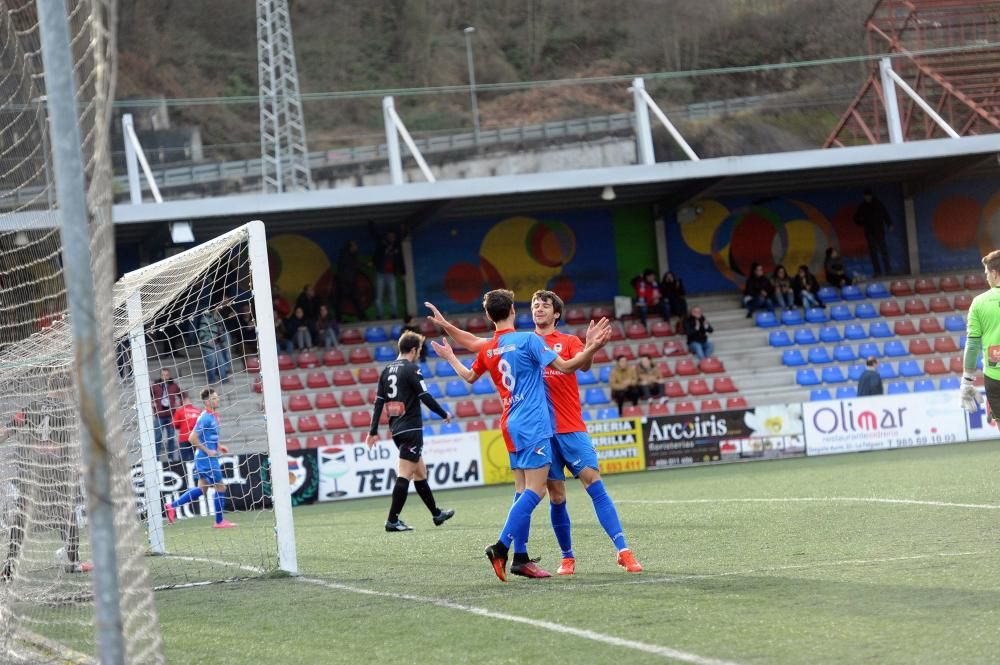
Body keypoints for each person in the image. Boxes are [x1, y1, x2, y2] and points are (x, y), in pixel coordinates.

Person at [426, 291, 641, 575]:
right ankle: (566, 557)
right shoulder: (523, 340)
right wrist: (447, 326)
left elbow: (583, 364)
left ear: (556, 314)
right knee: (554, 496)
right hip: (540, 431)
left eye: (546, 304)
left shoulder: (566, 341)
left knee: (592, 485)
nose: (539, 307)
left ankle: (623, 551)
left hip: (569, 427)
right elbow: (476, 342)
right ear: (519, 311)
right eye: (535, 304)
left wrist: (591, 347)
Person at [1, 372, 93, 580]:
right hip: (58, 472)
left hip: (32, 472)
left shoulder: (30, 407)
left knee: (21, 517)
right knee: (67, 514)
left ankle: (9, 568)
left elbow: (6, 432)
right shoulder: (69, 411)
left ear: (49, 385)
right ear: (67, 388)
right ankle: (73, 562)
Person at [366, 331, 454, 532]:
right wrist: (443, 413)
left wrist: (372, 431)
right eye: (419, 350)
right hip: (412, 429)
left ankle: (436, 514)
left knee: (420, 472)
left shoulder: (386, 370)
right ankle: (392, 520)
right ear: (414, 349)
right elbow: (424, 395)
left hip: (396, 429)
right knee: (405, 474)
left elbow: (378, 402)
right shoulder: (411, 369)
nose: (419, 354)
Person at [164, 388, 236, 529]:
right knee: (220, 486)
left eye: (217, 397)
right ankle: (219, 521)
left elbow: (209, 436)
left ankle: (171, 506)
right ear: (207, 402)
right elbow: (192, 438)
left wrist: (219, 446)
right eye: (214, 398)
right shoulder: (204, 417)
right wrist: (208, 451)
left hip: (207, 457)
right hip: (206, 459)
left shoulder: (214, 416)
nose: (218, 399)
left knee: (202, 489)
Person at [960, 250, 1000, 418]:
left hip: (995, 377)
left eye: (986, 273)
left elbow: (972, 345)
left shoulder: (978, 303)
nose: (986, 278)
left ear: (994, 272)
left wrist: (967, 381)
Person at [854, 189, 893, 277]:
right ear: (864, 197)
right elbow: (855, 218)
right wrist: (862, 223)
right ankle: (877, 272)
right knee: (873, 252)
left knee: (884, 251)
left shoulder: (878, 204)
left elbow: (885, 214)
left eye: (868, 196)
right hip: (869, 232)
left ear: (871, 196)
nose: (867, 198)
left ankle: (888, 270)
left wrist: (889, 224)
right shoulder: (862, 206)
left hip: (879, 231)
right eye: (865, 196)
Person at [370, 221, 405, 320]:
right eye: (390, 236)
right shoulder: (382, 244)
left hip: (391, 274)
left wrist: (402, 272)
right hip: (380, 273)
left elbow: (400, 260)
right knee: (378, 296)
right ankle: (379, 315)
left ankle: (393, 314)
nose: (392, 238)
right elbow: (375, 236)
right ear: (387, 236)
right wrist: (371, 225)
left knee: (392, 295)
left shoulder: (396, 247)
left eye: (393, 236)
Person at [151, 367, 182, 461]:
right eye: (163, 375)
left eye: (167, 375)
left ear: (169, 376)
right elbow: (148, 395)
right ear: (160, 376)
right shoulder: (155, 386)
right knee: (157, 438)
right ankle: (156, 458)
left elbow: (182, 395)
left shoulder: (174, 386)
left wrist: (179, 403)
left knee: (171, 437)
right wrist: (152, 403)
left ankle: (171, 458)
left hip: (171, 415)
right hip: (159, 415)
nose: (165, 377)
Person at [335, 240, 367, 322]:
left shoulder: (351, 255)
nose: (356, 248)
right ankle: (339, 319)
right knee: (341, 302)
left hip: (350, 282)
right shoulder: (346, 255)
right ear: (350, 247)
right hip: (344, 283)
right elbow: (354, 264)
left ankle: (362, 317)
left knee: (356, 300)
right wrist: (365, 264)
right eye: (355, 246)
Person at [197, 308, 229, 384]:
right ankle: (212, 381)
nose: (221, 308)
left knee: (221, 362)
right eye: (219, 306)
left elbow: (221, 330)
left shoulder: (219, 317)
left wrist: (222, 340)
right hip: (208, 345)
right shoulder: (206, 317)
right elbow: (201, 333)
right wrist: (208, 340)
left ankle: (224, 380)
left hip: (217, 344)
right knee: (211, 364)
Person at [172, 391, 201, 462]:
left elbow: (174, 424)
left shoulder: (180, 411)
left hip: (184, 438)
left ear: (183, 401)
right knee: (196, 458)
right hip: (196, 438)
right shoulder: (198, 411)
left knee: (184, 460)